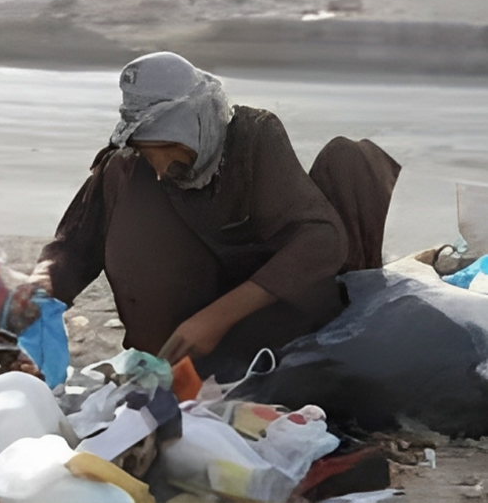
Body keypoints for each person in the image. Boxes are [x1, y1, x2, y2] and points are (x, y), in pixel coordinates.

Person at [21, 52, 401, 381]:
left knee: (352, 160)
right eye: (146, 149)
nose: (158, 166)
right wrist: (41, 285)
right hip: (184, 342)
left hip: (269, 318)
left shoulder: (252, 138)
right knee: (123, 176)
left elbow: (319, 241)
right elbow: (73, 245)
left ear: (198, 125)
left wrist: (217, 318)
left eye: (167, 147)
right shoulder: (128, 168)